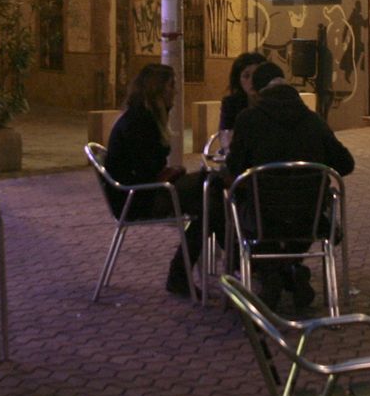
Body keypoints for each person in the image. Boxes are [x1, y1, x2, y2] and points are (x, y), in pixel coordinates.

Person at [226, 72, 355, 311]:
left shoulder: (248, 119)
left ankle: (271, 273)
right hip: (309, 219)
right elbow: (346, 164)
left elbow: (234, 167)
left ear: (261, 95)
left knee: (235, 205)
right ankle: (291, 270)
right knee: (291, 217)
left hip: (262, 218)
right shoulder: (314, 120)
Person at [105, 63, 222, 297]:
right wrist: (172, 172)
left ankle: (185, 273)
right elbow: (149, 168)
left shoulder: (142, 116)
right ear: (157, 90)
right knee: (212, 196)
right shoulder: (141, 122)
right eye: (171, 87)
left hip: (141, 191)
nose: (175, 93)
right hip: (137, 198)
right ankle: (236, 264)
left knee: (211, 195)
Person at [218, 52, 268, 136]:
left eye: (257, 75)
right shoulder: (231, 104)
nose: (252, 81)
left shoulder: (274, 101)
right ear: (238, 80)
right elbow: (225, 133)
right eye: (246, 76)